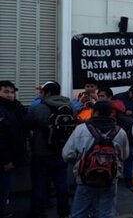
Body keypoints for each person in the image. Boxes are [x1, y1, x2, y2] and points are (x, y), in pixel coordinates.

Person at [62, 100, 129, 218]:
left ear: (95, 112)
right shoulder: (120, 132)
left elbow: (67, 154)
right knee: (106, 212)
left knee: (79, 212)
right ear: (110, 113)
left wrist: (80, 161)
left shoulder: (81, 129)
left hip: (85, 178)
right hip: (109, 179)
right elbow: (124, 156)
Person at [24, 81, 73, 218]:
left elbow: (27, 125)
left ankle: (37, 212)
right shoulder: (70, 106)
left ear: (48, 93)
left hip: (41, 152)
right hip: (62, 151)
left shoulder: (39, 108)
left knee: (39, 184)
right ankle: (64, 212)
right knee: (61, 184)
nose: (41, 95)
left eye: (42, 92)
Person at [0, 81, 24, 218]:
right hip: (4, 161)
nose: (10, 95)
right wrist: (6, 160)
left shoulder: (14, 108)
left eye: (12, 92)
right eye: (6, 92)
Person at [113, 83, 133, 189]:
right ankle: (113, 176)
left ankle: (127, 178)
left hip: (132, 134)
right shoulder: (119, 97)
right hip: (118, 132)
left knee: (130, 155)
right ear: (129, 91)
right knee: (114, 155)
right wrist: (124, 112)